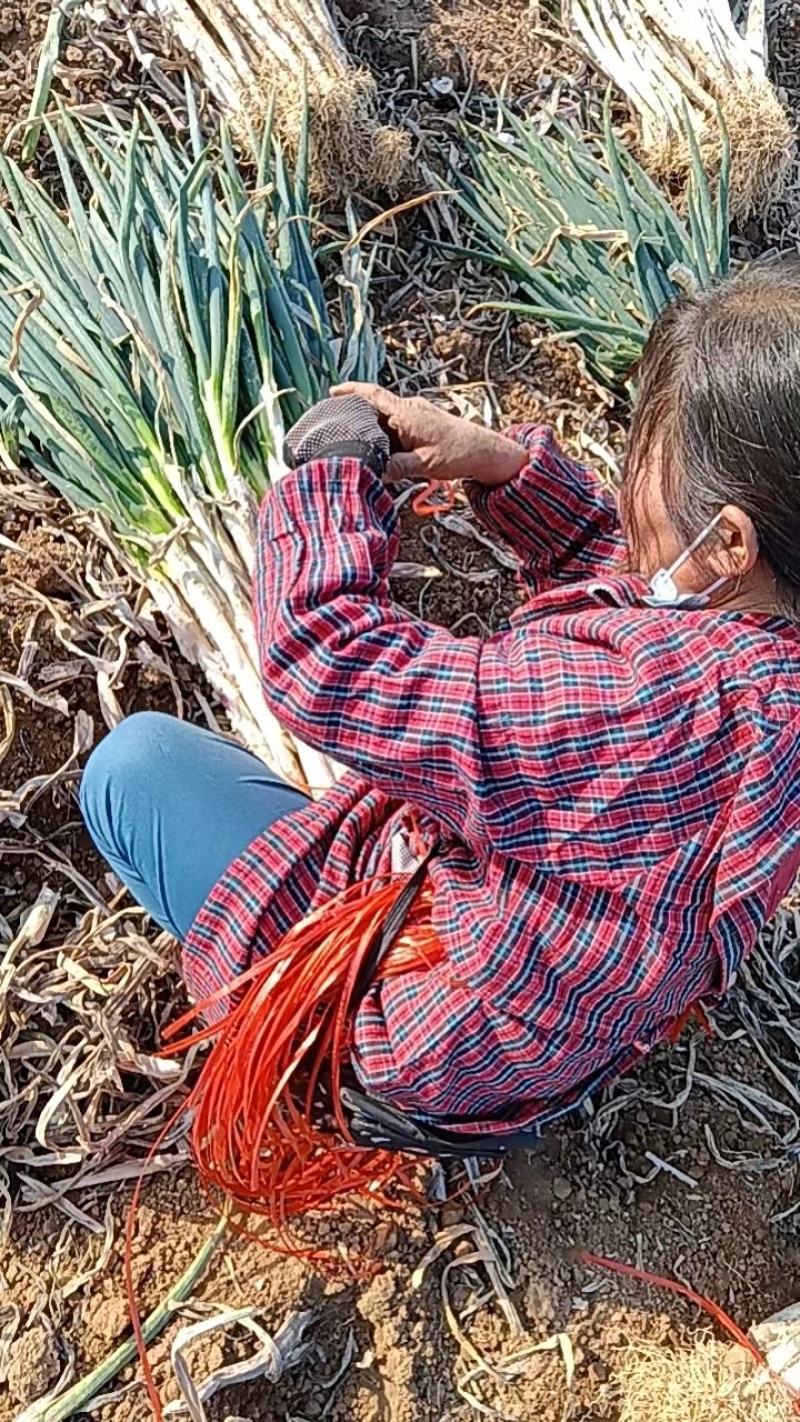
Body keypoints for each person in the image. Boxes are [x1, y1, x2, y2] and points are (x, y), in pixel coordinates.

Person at [81, 258, 800, 1146]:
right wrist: (505, 470)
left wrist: (326, 480)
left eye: (648, 464)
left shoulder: (637, 706)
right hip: (575, 1015)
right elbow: (638, 580)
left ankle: (327, 1086)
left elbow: (329, 655)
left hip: (434, 1042)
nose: (627, 485)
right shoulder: (766, 655)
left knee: (132, 768)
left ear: (728, 540)